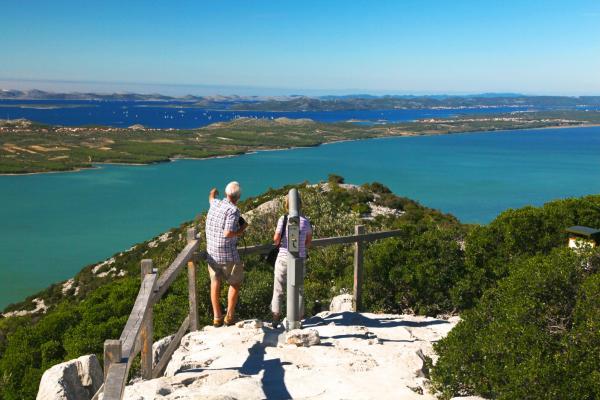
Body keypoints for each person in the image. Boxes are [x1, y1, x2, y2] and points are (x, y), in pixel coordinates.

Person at [205, 181, 247, 327]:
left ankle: (217, 317)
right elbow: (228, 233)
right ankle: (229, 317)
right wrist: (240, 230)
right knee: (235, 283)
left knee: (215, 281)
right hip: (227, 254)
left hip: (212, 252)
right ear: (238, 197)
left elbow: (211, 197)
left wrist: (213, 191)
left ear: (225, 193)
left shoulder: (215, 203)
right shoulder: (233, 211)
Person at [270, 192, 312, 328]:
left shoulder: (283, 219)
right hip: (299, 259)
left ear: (287, 204)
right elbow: (308, 241)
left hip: (283, 259)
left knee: (278, 290)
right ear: (300, 204)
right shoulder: (305, 221)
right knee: (298, 290)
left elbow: (276, 239)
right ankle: (298, 320)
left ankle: (275, 319)